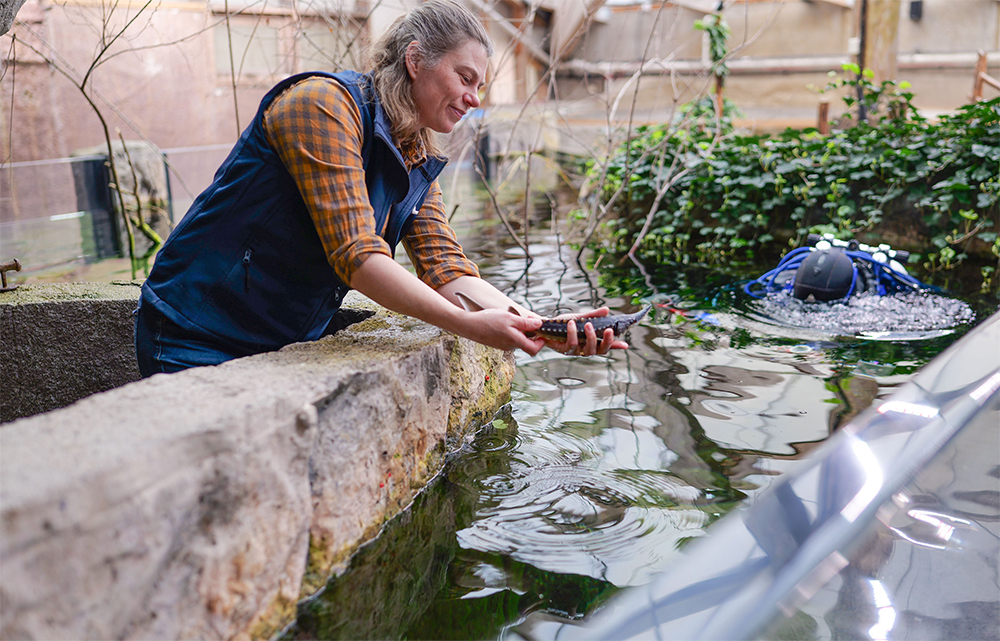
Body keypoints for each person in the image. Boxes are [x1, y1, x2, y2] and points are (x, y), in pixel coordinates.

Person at [135, 0, 626, 377]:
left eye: (481, 86)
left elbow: (446, 269)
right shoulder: (322, 105)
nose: (475, 99)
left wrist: (542, 325)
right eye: (465, 77)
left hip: (280, 341)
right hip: (195, 335)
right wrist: (471, 327)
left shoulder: (413, 150)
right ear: (415, 60)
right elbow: (359, 257)